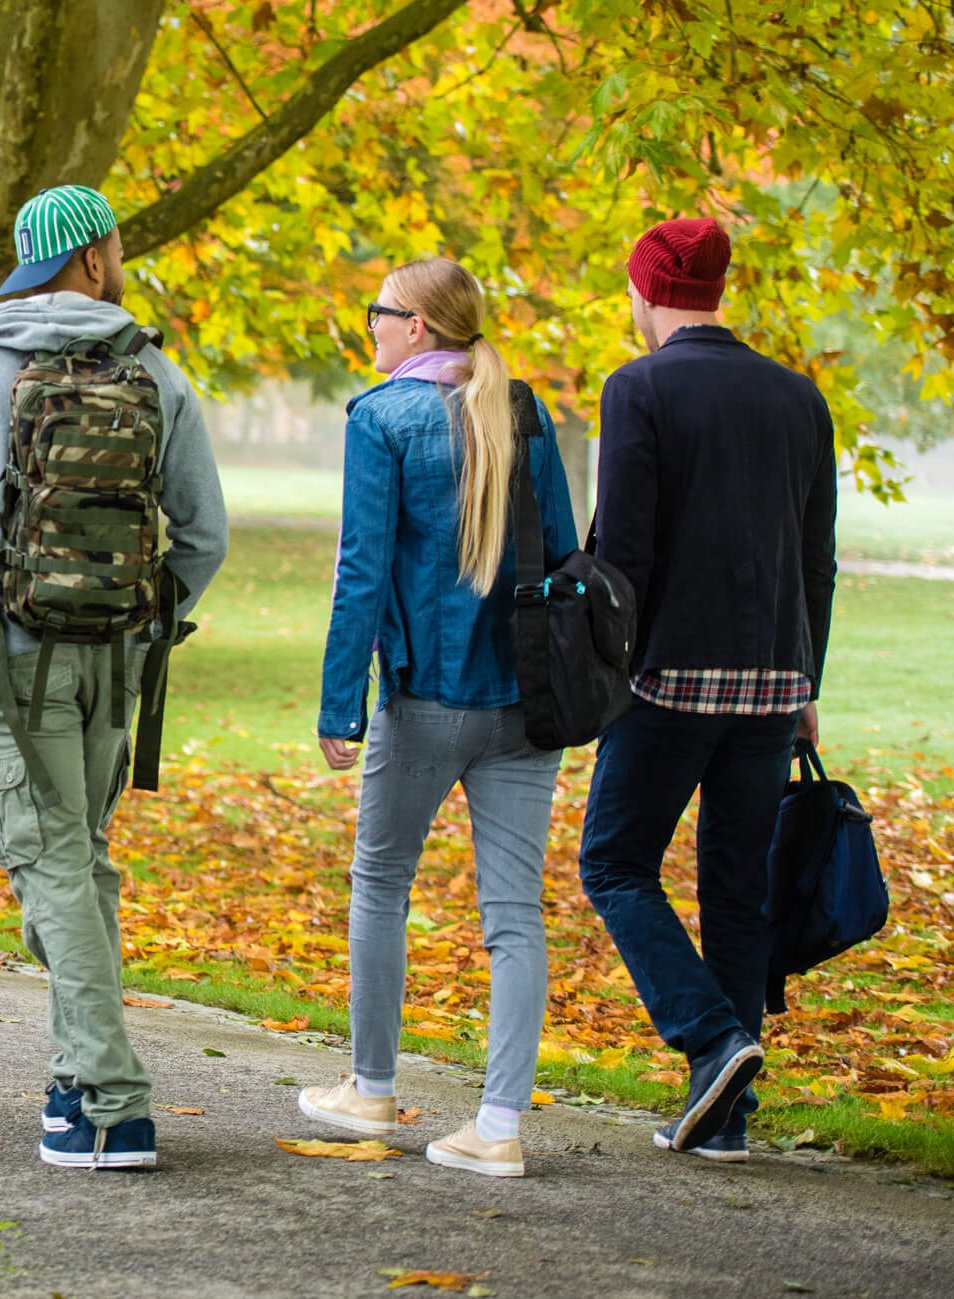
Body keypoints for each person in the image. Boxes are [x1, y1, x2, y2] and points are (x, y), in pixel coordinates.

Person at [0, 186, 228, 1170]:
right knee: (76, 864)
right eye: (116, 248)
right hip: (113, 669)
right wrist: (137, 627)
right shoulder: (154, 373)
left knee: (48, 863)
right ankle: (69, 1072)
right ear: (89, 260)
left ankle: (110, 1105)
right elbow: (204, 536)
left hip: (12, 661)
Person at [295, 258, 578, 1179]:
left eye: (378, 313)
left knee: (379, 881)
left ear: (416, 327)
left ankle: (370, 1088)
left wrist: (342, 703)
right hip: (526, 704)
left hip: (425, 700)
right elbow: (568, 562)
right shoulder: (523, 411)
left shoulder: (382, 418)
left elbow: (360, 572)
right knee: (513, 916)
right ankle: (497, 1125)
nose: (368, 327)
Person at [578, 218, 838, 1162]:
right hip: (772, 687)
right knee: (734, 892)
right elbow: (817, 560)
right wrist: (805, 675)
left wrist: (602, 673)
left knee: (612, 863)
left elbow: (624, 557)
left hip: (665, 685)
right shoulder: (798, 400)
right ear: (717, 290)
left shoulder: (636, 387)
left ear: (644, 294)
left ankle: (711, 1038)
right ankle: (722, 1117)